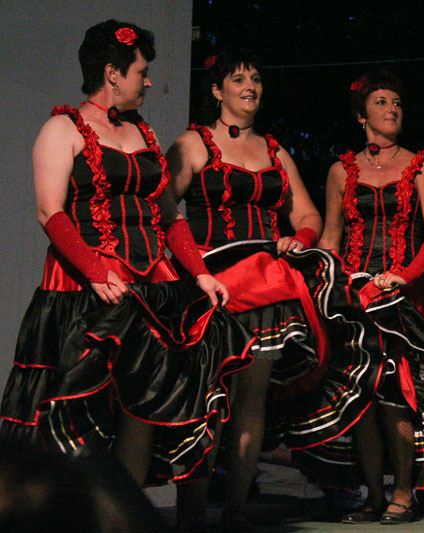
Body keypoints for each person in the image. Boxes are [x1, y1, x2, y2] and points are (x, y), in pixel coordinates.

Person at [0, 20, 252, 489]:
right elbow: (50, 211)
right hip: (89, 287)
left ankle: (125, 513)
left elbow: (169, 216)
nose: (149, 82)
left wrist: (199, 273)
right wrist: (96, 272)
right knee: (81, 407)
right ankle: (73, 514)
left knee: (144, 405)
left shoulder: (143, 132)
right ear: (112, 73)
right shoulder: (61, 129)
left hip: (152, 286)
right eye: (142, 72)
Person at [168, 47, 382, 529]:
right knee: (208, 396)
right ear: (217, 90)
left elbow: (307, 214)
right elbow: (163, 210)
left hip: (265, 286)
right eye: (238, 79)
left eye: (256, 78)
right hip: (213, 285)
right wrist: (193, 268)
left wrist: (299, 237)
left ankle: (237, 509)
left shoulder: (275, 149)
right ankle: (192, 511)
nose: (251, 86)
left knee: (251, 397)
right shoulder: (194, 143)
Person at [319, 70, 424, 525]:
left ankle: (404, 491)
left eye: (397, 102)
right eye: (381, 102)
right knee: (361, 396)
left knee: (397, 394)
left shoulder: (419, 165)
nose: (392, 109)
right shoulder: (341, 170)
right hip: (356, 298)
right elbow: (331, 237)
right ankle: (373, 495)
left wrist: (404, 276)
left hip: (405, 298)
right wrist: (320, 283)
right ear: (361, 116)